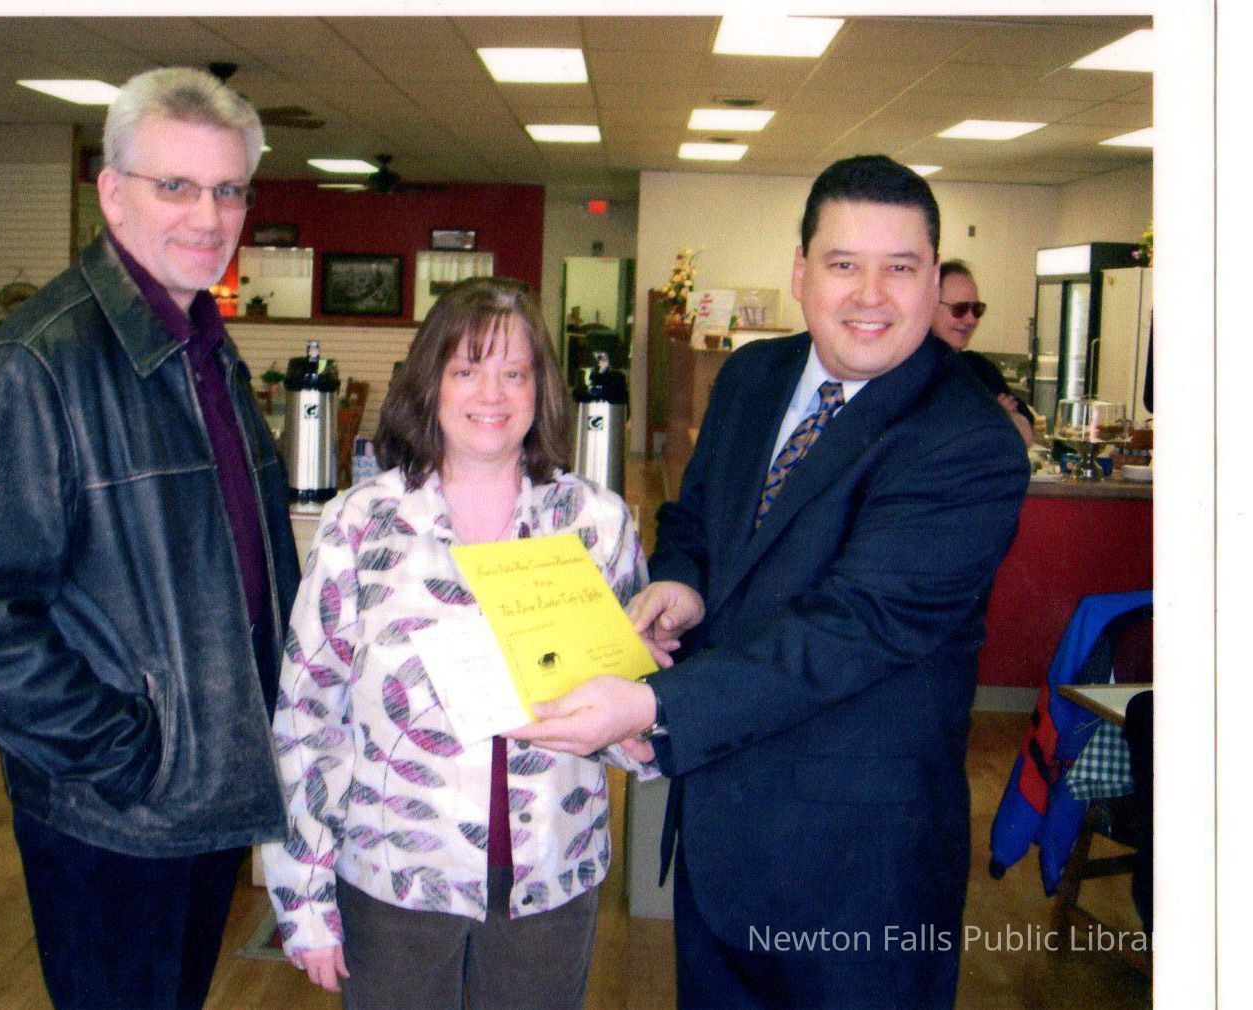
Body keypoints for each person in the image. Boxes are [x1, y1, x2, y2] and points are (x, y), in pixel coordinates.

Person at [509, 155, 1031, 1010]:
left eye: (900, 268)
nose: (870, 294)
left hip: (859, 873)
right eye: (843, 263)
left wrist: (652, 705)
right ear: (800, 273)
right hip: (720, 839)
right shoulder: (753, 376)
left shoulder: (965, 441)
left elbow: (851, 626)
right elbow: (695, 516)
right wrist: (682, 583)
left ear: (933, 279)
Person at [0, 67, 299, 1010]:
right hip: (114, 810)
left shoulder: (201, 343)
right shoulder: (40, 361)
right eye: (176, 186)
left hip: (205, 785)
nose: (207, 216)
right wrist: (133, 756)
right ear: (112, 192)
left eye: (229, 190)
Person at [262, 277, 651, 1010]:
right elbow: (308, 716)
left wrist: (642, 723)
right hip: (394, 878)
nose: (492, 394)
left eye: (515, 373)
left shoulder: (595, 523)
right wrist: (302, 893)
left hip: (548, 877)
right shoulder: (361, 523)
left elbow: (640, 702)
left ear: (541, 388)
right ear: (430, 383)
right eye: (467, 370)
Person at [932, 260, 1035, 446]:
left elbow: (1025, 427)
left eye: (977, 310)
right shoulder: (909, 369)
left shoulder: (979, 367)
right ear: (929, 306)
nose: (971, 320)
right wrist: (995, 414)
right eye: (960, 309)